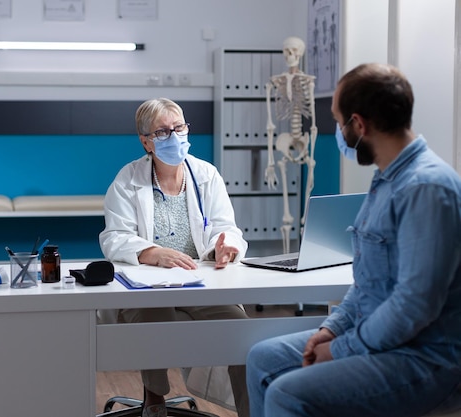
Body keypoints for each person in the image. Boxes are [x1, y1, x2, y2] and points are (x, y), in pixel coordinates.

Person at [246, 63, 461, 417]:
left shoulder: (426, 189)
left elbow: (413, 306)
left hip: (427, 358)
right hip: (383, 339)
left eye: (338, 121)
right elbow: (366, 287)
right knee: (263, 359)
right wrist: (330, 329)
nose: (338, 131)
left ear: (359, 125)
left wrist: (344, 348)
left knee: (287, 394)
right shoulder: (386, 180)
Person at [99, 98, 250, 417]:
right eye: (163, 131)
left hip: (200, 281)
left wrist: (227, 246)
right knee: (157, 316)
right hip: (147, 287)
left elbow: (226, 226)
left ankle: (251, 411)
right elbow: (114, 237)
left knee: (242, 332)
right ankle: (154, 400)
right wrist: (151, 253)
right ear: (146, 142)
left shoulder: (206, 174)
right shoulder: (128, 180)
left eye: (179, 128)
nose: (174, 136)